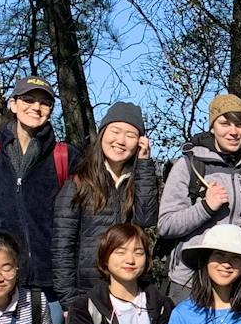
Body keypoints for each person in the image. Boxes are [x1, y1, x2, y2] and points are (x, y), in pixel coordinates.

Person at [160, 92, 241, 290]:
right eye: (225, 123)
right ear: (212, 127)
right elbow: (166, 226)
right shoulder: (190, 164)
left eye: (240, 125)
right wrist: (205, 207)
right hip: (191, 281)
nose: (233, 131)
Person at [54, 101, 161, 301]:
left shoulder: (140, 179)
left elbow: (146, 219)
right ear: (102, 133)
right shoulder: (79, 182)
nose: (121, 140)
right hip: (86, 291)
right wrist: (68, 299)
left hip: (129, 289)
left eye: (130, 135)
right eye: (115, 131)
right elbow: (62, 245)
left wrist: (145, 163)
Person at [0, 75, 78, 297]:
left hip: (51, 280)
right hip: (2, 278)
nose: (36, 107)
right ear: (13, 104)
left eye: (44, 103)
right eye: (28, 100)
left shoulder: (65, 156)